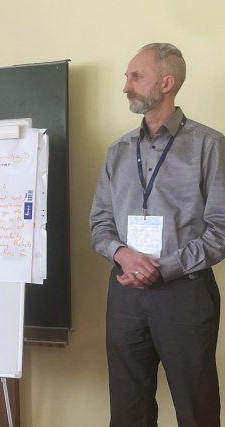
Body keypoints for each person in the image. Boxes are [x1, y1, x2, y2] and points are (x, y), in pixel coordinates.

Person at [90, 43, 225, 426]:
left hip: (185, 294)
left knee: (196, 407)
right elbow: (100, 222)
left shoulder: (209, 146)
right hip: (125, 294)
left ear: (167, 83)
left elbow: (221, 230)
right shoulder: (118, 151)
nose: (126, 86)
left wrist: (161, 268)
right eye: (127, 77)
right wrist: (123, 255)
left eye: (136, 76)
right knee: (128, 409)